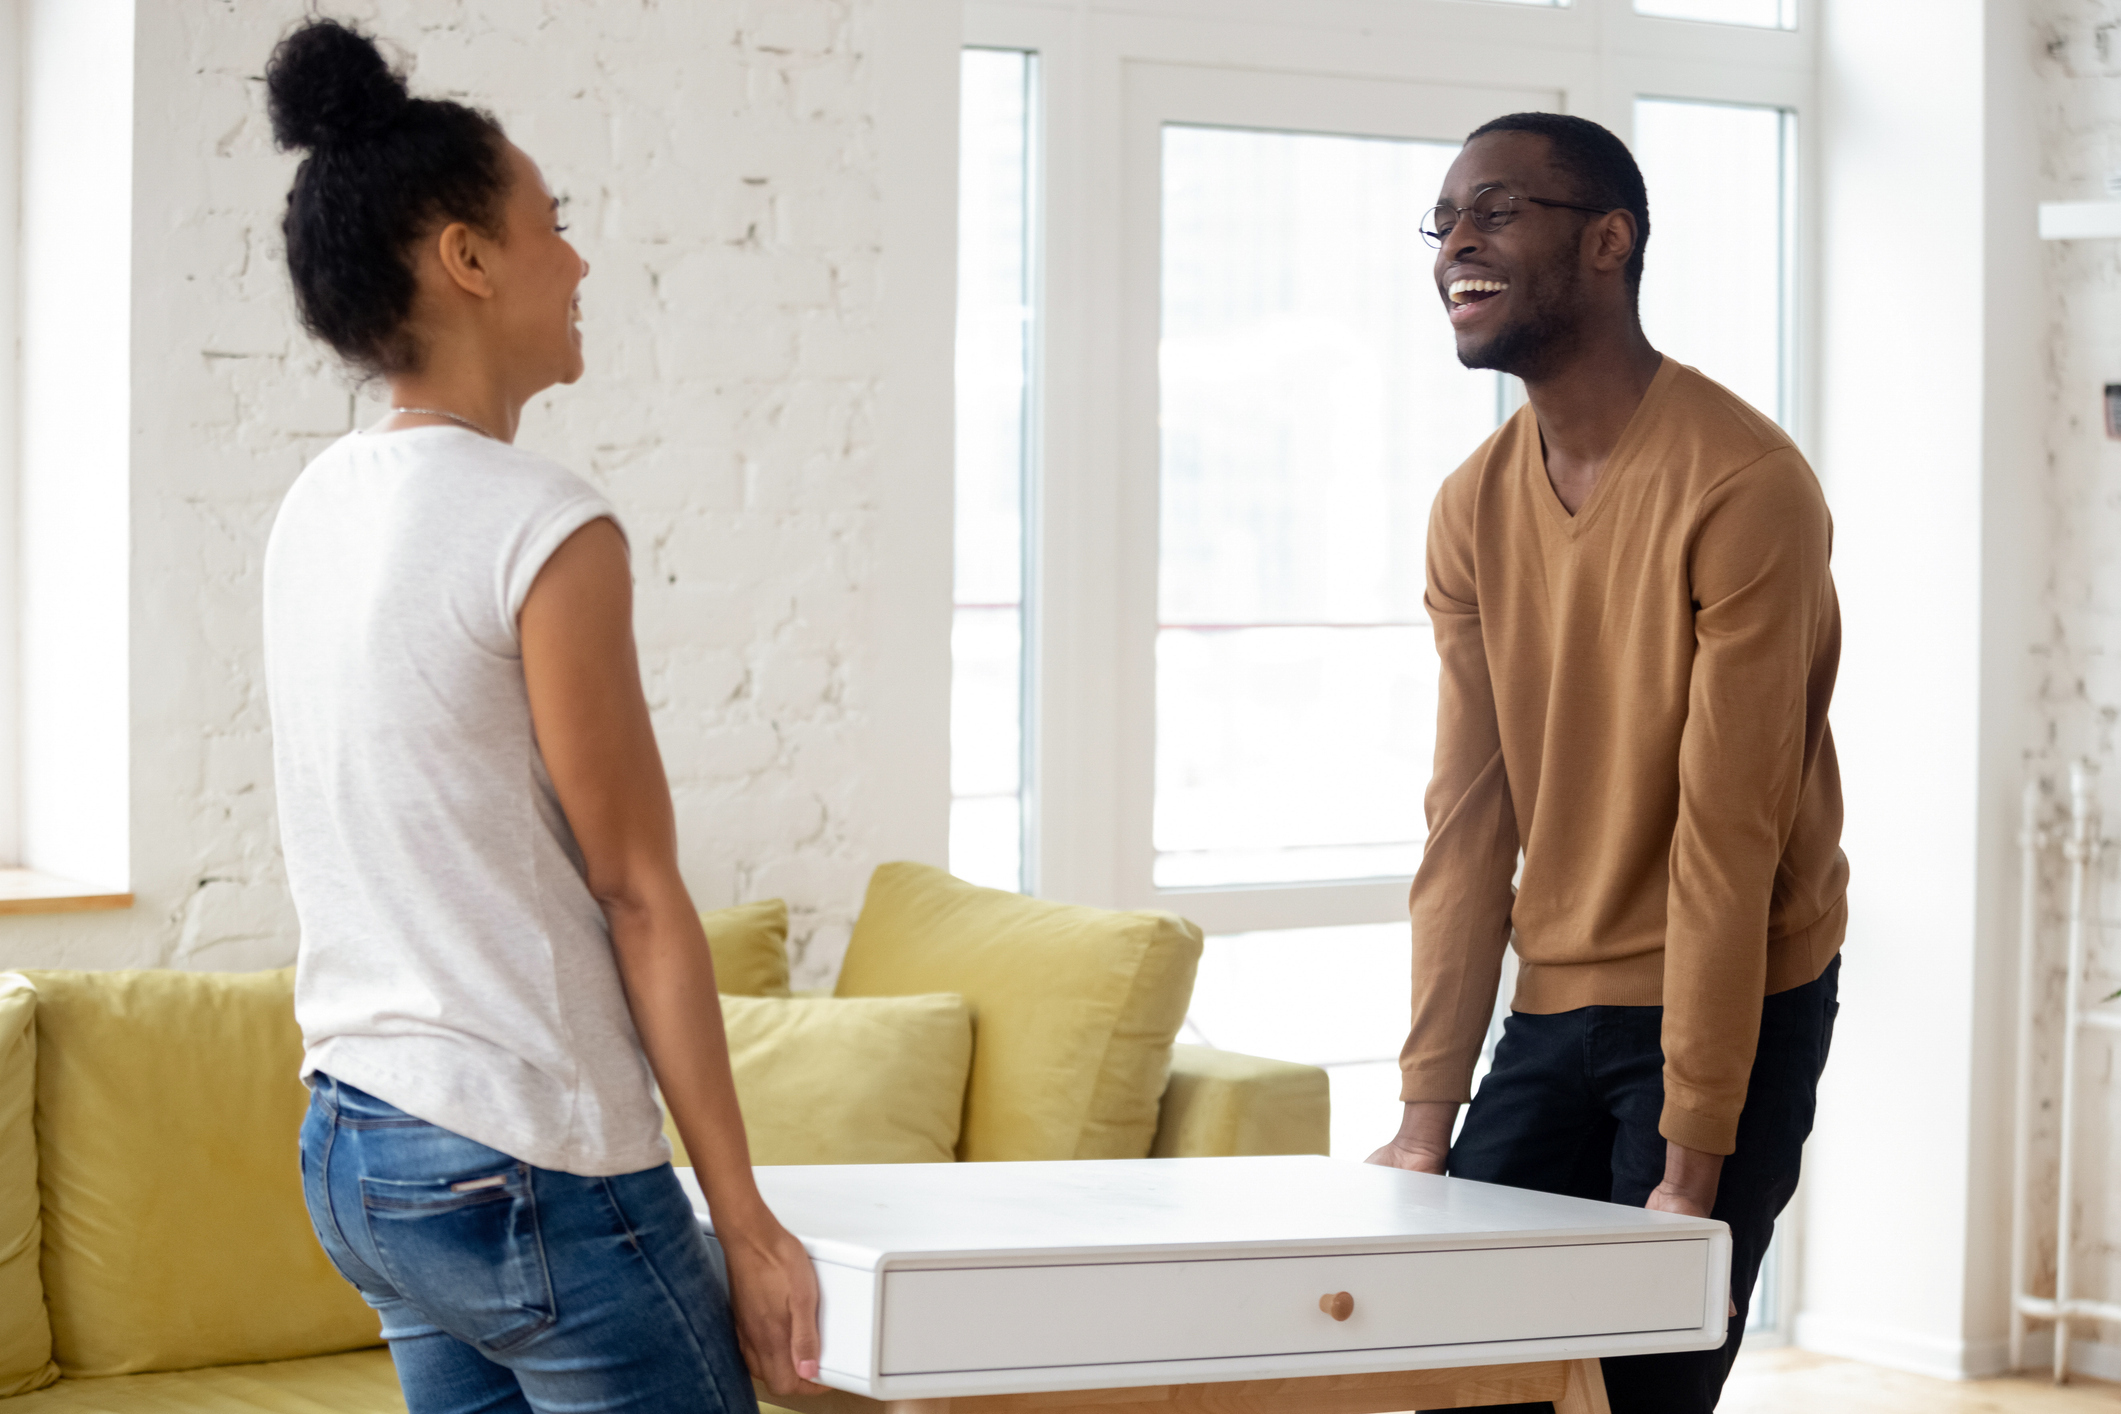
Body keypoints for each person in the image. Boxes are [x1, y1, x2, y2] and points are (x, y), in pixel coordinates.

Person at [259, 20, 824, 1414]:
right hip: (523, 1162)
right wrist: (742, 1220)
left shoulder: (314, 504)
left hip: (360, 1151)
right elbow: (636, 892)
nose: (574, 261)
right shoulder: (541, 524)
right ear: (466, 258)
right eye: (548, 226)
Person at [1366, 113, 1846, 1414]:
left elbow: (1726, 830)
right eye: (1444, 218)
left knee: (1637, 1385)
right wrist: (1424, 1118)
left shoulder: (1741, 482)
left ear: (1607, 240)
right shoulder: (1470, 505)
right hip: (1558, 995)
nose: (1455, 240)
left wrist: (1690, 1164)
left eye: (1495, 208)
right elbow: (1466, 823)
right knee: (1466, 1377)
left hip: (1735, 992)